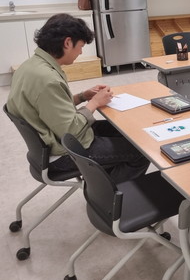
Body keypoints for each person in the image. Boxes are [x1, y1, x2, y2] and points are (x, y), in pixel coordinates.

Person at [6, 14, 149, 183]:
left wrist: (83, 96)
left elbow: (50, 108)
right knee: (141, 152)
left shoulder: (30, 66)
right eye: (80, 46)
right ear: (68, 43)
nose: (80, 52)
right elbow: (70, 130)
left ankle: (103, 180)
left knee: (127, 132)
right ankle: (106, 194)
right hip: (63, 153)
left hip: (51, 141)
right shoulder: (48, 79)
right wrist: (94, 103)